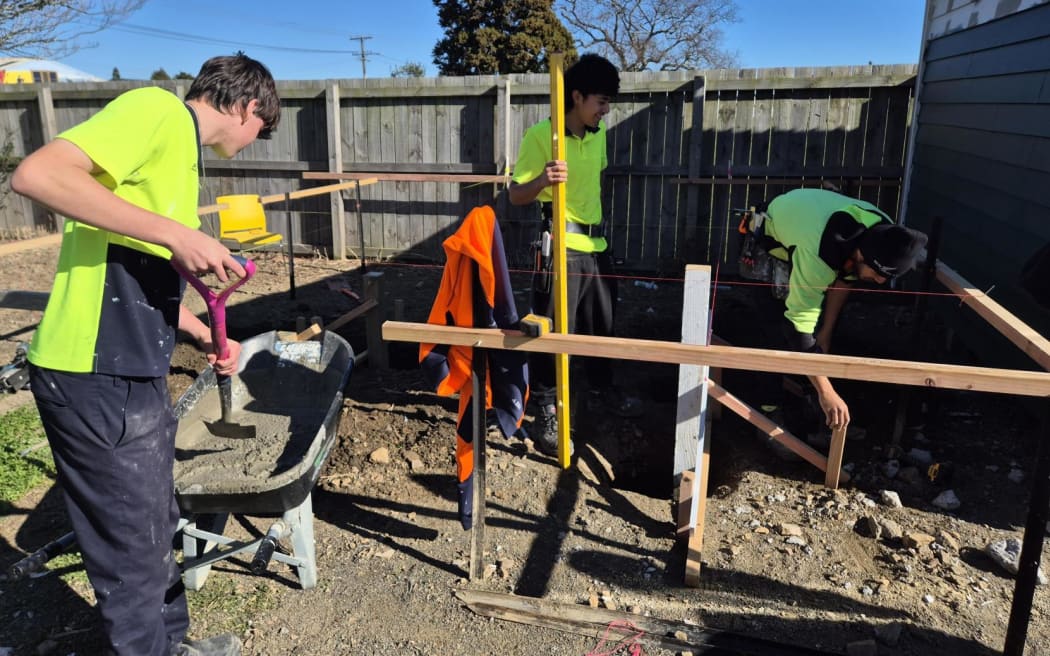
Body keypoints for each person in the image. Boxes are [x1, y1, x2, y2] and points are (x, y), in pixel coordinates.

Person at [11, 53, 280, 656]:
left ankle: (172, 645)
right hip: (90, 367)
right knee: (131, 547)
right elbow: (38, 175)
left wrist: (194, 328)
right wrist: (180, 234)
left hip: (130, 364)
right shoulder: (155, 109)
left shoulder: (178, 152)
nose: (259, 138)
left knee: (155, 522)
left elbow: (126, 255)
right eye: (265, 127)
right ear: (248, 106)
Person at [509, 53, 640, 457]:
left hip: (596, 248)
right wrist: (544, 180)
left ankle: (599, 400)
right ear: (577, 96)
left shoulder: (598, 134)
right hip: (559, 250)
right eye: (601, 101)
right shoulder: (541, 137)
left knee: (602, 328)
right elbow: (515, 195)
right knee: (551, 332)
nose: (606, 110)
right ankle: (546, 409)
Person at [739, 187, 928, 437]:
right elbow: (798, 325)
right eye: (877, 274)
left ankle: (808, 389)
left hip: (807, 229)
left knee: (814, 337)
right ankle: (769, 412)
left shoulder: (885, 233)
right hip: (769, 240)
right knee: (774, 329)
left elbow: (846, 276)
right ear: (860, 254)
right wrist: (826, 392)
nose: (881, 282)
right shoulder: (820, 253)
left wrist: (825, 333)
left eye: (886, 277)